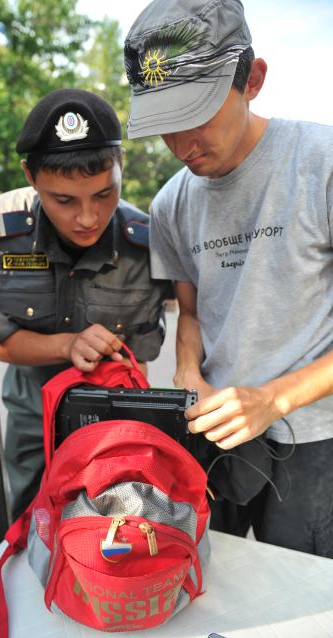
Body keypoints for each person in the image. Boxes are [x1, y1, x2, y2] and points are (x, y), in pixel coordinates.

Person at [123, 0, 333, 556]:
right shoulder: (170, 204)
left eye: (197, 116)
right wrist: (189, 374)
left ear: (253, 80)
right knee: (215, 576)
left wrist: (271, 399)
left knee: (302, 594)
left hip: (315, 435)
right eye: (164, 126)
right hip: (216, 432)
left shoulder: (322, 163)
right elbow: (190, 313)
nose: (182, 146)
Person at [0, 89, 170, 520]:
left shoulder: (151, 242)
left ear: (120, 167)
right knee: (30, 525)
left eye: (104, 195)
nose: (87, 218)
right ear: (31, 176)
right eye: (64, 200)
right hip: (33, 418)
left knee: (114, 536)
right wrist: (67, 345)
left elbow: (195, 317)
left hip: (117, 420)